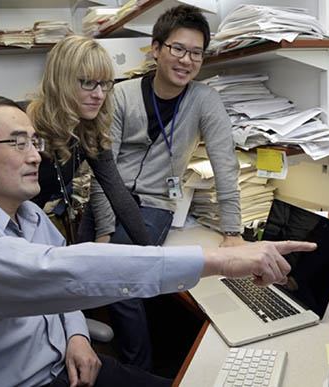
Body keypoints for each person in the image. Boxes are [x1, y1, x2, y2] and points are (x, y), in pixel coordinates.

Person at [0, 94, 316, 387]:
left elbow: (59, 286)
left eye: (35, 142)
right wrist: (220, 261)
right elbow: (56, 274)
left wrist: (77, 335)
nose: (34, 156)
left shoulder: (27, 215)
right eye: (17, 143)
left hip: (62, 364)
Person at [82, 5, 244, 370]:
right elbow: (103, 170)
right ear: (156, 49)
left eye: (196, 53)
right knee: (78, 270)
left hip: (155, 205)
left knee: (121, 280)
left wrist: (233, 230)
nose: (186, 60)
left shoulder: (205, 100)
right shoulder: (121, 95)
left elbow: (224, 164)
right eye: (178, 48)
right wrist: (106, 231)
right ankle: (79, 353)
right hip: (108, 197)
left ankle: (136, 371)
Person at [28, 35, 152, 246]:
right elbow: (3, 204)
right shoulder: (26, 129)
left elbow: (119, 196)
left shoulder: (89, 129)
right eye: (87, 82)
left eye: (104, 84)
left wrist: (154, 253)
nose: (99, 94)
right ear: (60, 81)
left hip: (30, 221)